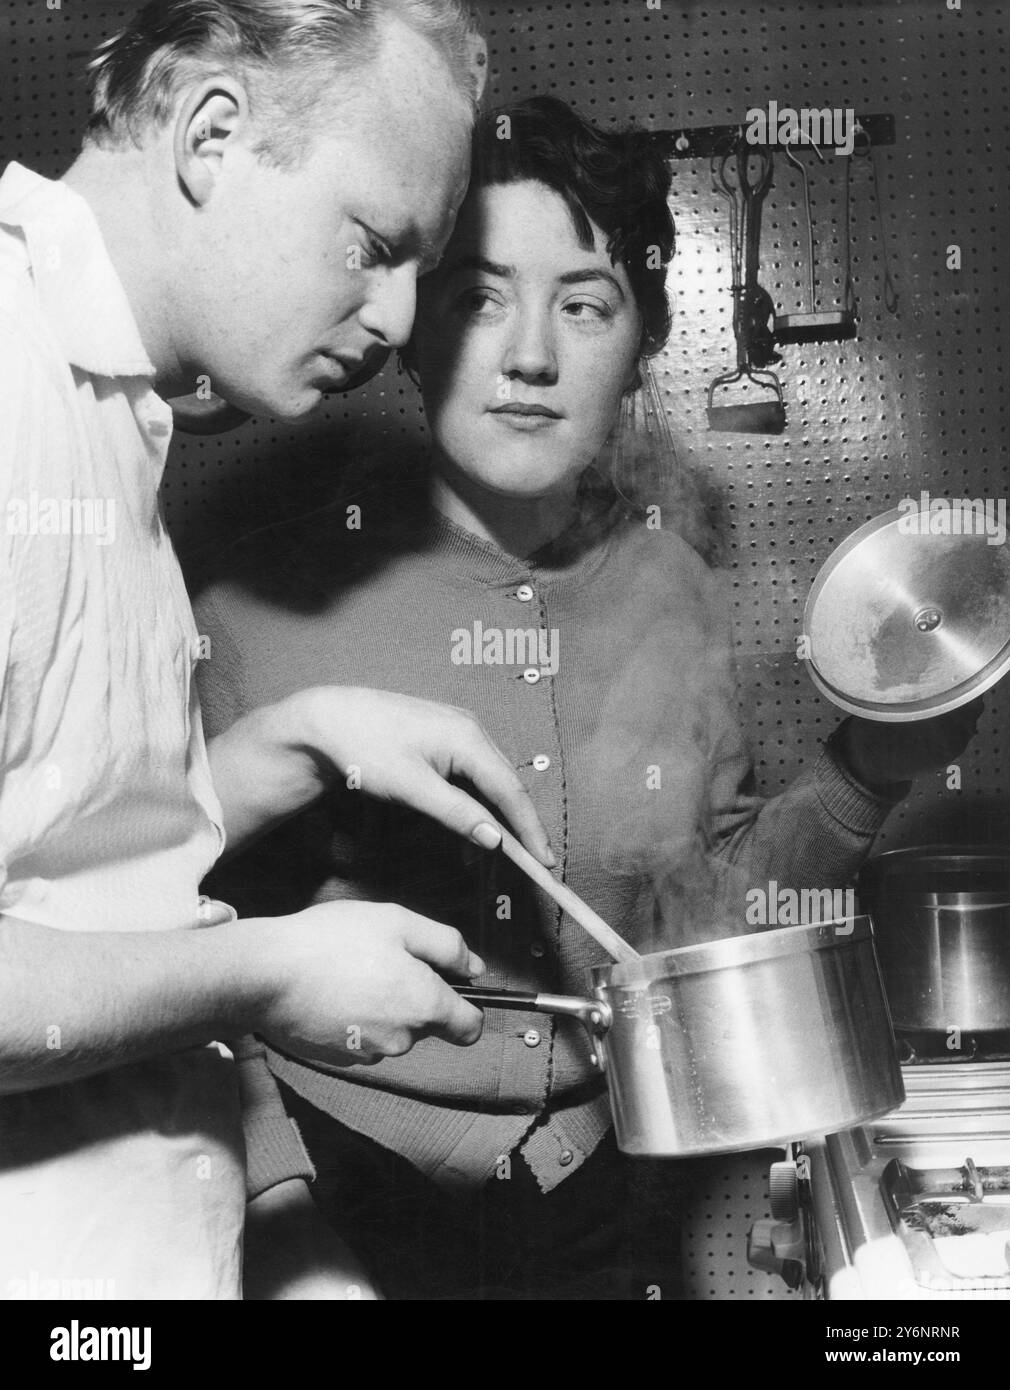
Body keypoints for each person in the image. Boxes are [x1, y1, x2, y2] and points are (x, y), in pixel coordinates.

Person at [197, 94, 982, 1300]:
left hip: (600, 1202)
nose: (527, 355)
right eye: (477, 295)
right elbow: (182, 948)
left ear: (641, 341)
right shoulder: (262, 599)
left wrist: (869, 766)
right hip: (333, 1197)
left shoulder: (673, 582)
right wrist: (277, 1207)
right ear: (411, 329)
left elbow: (699, 911)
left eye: (582, 302)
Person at [0, 0, 560, 1303]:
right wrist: (268, 969)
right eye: (373, 244)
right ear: (210, 132)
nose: (398, 315)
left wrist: (280, 750)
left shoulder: (101, 405)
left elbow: (52, 860)